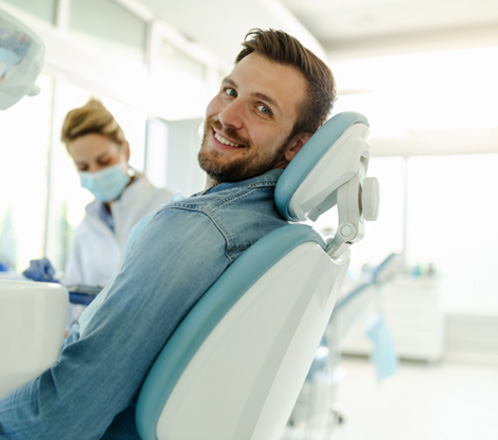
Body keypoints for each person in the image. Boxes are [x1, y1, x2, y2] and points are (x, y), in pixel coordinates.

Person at [0, 28, 337, 439]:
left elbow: (56, 417)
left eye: (262, 109)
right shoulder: (270, 232)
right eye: (230, 92)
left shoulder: (199, 225)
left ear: (295, 146)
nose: (228, 117)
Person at [23, 98, 175, 288]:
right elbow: (75, 301)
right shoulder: (87, 226)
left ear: (125, 151)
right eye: (83, 166)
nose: (94, 173)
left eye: (104, 161)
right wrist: (51, 288)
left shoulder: (166, 205)